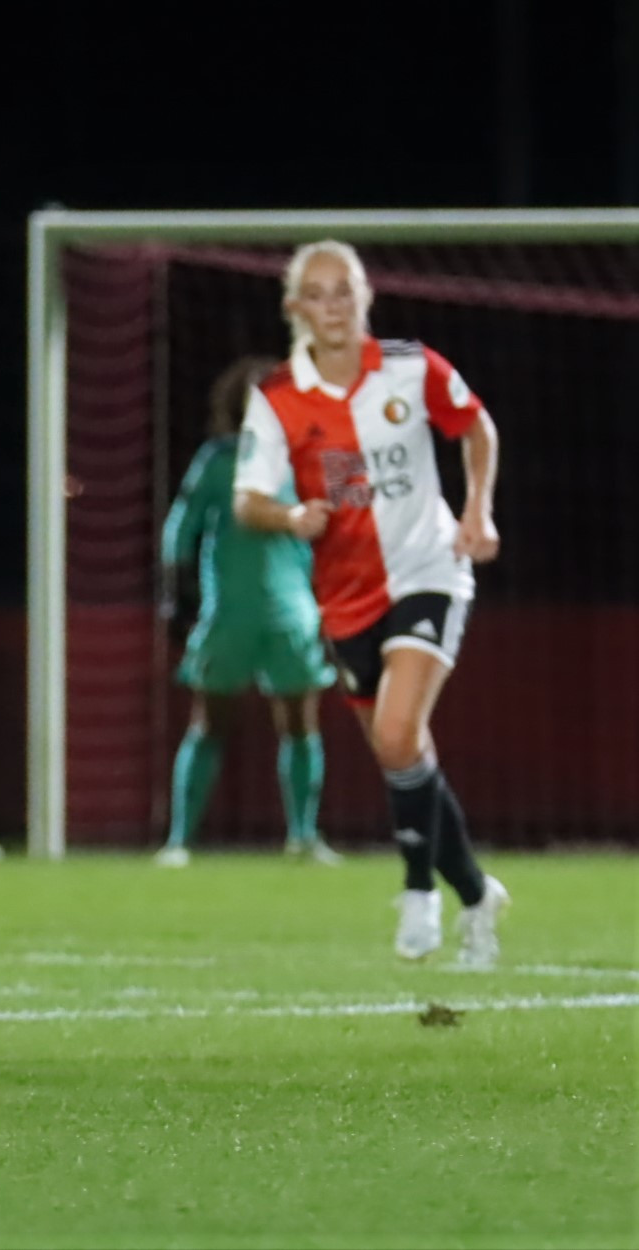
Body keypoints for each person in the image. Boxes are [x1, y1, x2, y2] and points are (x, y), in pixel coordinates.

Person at [233, 239, 508, 967]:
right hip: (347, 600)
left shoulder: (413, 367)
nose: (333, 307)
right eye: (318, 295)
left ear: (365, 299)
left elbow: (476, 427)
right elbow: (249, 500)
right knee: (404, 751)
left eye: (345, 292)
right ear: (296, 308)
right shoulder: (280, 401)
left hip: (430, 570)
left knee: (394, 735)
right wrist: (293, 518)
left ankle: (419, 888)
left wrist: (477, 512)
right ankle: (478, 895)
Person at [154, 355, 341, 868]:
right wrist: (177, 596)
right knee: (208, 722)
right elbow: (180, 528)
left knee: (301, 723)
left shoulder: (313, 457)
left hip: (294, 610)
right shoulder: (219, 458)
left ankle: (303, 837)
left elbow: (344, 528)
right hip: (229, 611)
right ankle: (179, 842)